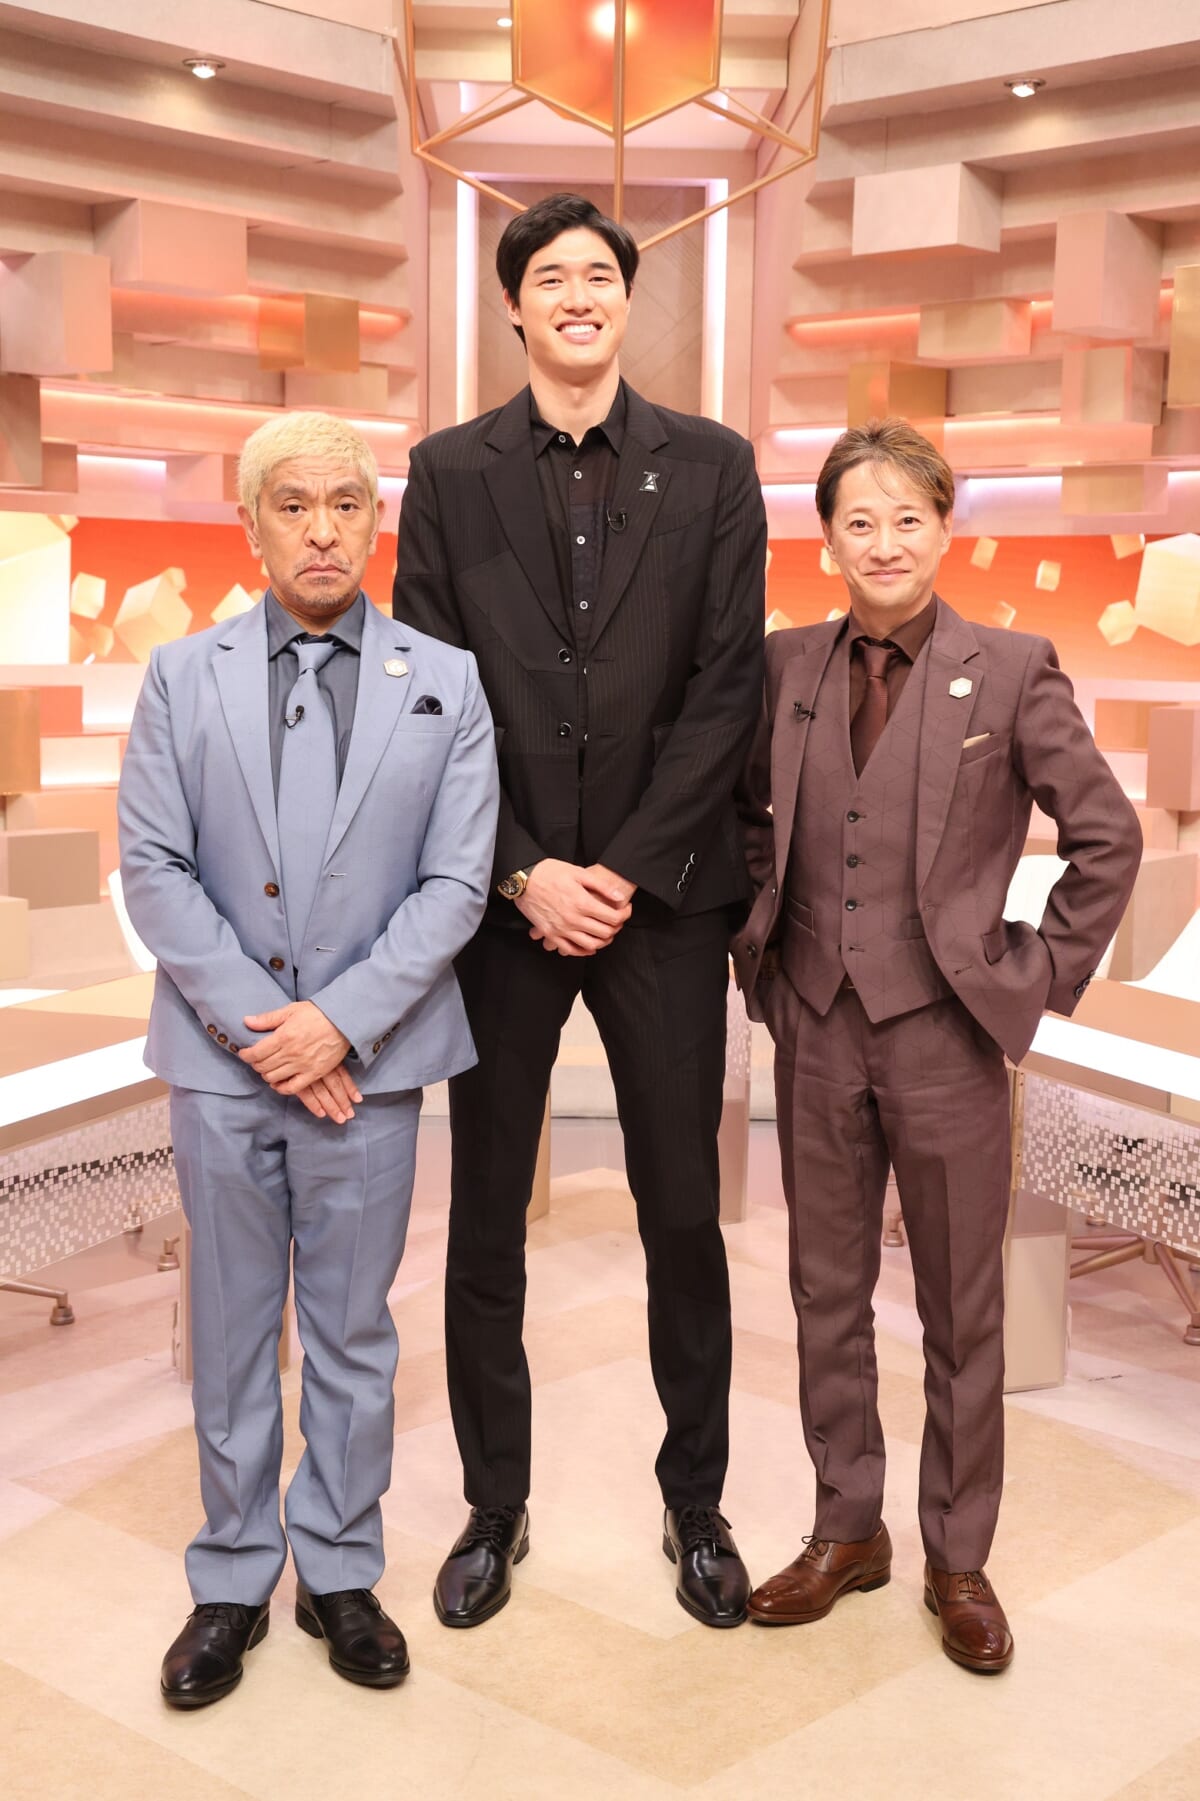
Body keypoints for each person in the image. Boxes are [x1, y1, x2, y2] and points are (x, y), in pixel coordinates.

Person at [394, 192, 766, 1629]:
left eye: (599, 274)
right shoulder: (449, 471)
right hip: (504, 908)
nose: (576, 294)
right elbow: (431, 692)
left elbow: (725, 685)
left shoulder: (715, 465)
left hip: (662, 904)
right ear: (514, 306)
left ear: (625, 299)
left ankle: (698, 1503)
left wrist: (624, 867)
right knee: (486, 1218)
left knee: (684, 1214)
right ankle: (495, 1505)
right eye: (549, 276)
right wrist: (523, 868)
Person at [733, 418, 1141, 1672]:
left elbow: (1107, 837)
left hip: (948, 1038)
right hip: (814, 1025)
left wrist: (1033, 977)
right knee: (824, 1293)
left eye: (907, 518)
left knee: (962, 1308)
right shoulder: (782, 664)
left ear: (945, 529)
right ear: (826, 538)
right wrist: (761, 949)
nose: (885, 542)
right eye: (860, 520)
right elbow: (743, 820)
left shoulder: (1009, 669)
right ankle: (846, 1528)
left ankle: (958, 1556)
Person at [118, 412, 498, 1706]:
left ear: (375, 522)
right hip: (222, 1071)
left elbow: (456, 884)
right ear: (251, 524)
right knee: (231, 1330)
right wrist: (272, 1032)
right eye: (294, 504)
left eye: (346, 503)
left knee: (349, 1329)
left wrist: (340, 1022)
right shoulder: (182, 676)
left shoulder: (445, 680)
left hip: (369, 1071)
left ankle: (339, 1566)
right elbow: (154, 870)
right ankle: (231, 1575)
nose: (322, 528)